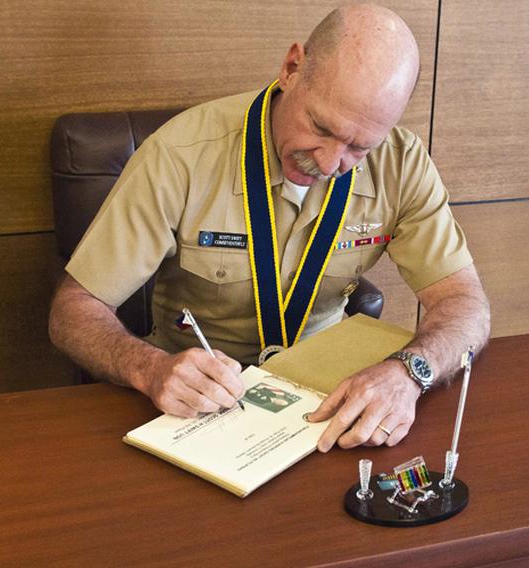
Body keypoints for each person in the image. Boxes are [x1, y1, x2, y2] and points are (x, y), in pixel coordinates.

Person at [49, 4, 490, 453]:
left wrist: (409, 372)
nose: (328, 163)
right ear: (292, 68)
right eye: (320, 127)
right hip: (202, 405)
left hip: (326, 402)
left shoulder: (401, 162)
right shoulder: (180, 156)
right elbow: (73, 310)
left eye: (359, 148)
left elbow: (465, 304)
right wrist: (149, 368)